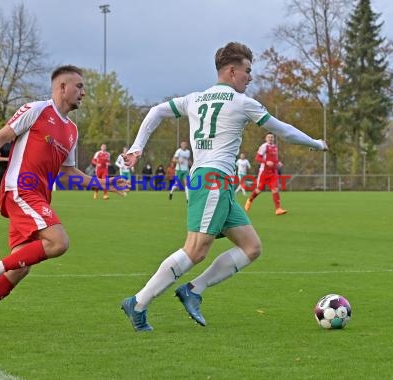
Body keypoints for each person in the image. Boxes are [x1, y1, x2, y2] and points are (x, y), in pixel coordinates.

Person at [120, 41, 327, 331]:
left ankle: (193, 290)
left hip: (216, 183)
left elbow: (155, 111)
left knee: (251, 247)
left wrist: (137, 147)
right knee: (195, 250)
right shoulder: (243, 103)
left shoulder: (194, 99)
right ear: (232, 71)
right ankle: (138, 303)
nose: (250, 77)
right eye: (247, 71)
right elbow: (283, 130)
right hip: (212, 181)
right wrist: (316, 144)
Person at [0, 65, 127, 330]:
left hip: (39, 198)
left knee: (20, 266)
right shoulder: (37, 110)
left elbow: (68, 173)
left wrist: (101, 183)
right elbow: (2, 135)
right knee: (59, 242)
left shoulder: (71, 130)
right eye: (79, 86)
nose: (83, 92)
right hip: (20, 190)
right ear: (62, 87)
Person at [244, 133, 286, 215]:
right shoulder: (264, 146)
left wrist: (278, 162)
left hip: (273, 172)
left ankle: (278, 209)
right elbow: (257, 158)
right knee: (259, 189)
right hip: (264, 172)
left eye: (272, 137)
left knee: (275, 189)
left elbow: (274, 159)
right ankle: (250, 200)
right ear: (266, 139)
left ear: (273, 139)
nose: (270, 138)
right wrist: (266, 162)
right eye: (269, 137)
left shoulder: (275, 147)